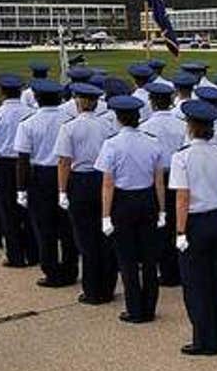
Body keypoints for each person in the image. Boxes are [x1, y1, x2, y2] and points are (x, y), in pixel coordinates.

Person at [170, 100, 217, 356]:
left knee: (197, 284)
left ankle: (204, 338)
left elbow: (182, 197)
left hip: (195, 222)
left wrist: (179, 231)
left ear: (190, 127)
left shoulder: (182, 157)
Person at [96, 95, 165, 323]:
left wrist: (105, 215)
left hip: (123, 201)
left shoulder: (112, 144)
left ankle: (135, 308)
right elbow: (158, 181)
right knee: (148, 258)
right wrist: (162, 209)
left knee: (127, 259)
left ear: (119, 119)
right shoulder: (152, 141)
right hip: (146, 200)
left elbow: (108, 183)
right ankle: (149, 306)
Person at [56, 82, 117, 305]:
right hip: (102, 179)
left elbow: (64, 161)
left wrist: (62, 191)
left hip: (80, 181)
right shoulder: (107, 126)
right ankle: (107, 287)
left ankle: (92, 290)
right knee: (104, 236)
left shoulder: (69, 128)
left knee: (85, 238)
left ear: (79, 102)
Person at [14, 80, 78, 287]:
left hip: (40, 176)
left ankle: (51, 270)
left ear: (38, 99)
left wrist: (21, 188)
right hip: (67, 174)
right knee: (67, 226)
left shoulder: (28, 123)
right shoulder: (69, 119)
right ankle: (70, 269)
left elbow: (23, 159)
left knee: (44, 227)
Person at [0, 74, 36, 267]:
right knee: (29, 210)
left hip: (4, 164)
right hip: (28, 163)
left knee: (8, 212)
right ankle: (32, 252)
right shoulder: (30, 112)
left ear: (2, 92)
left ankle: (15, 255)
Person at [139, 81, 186, 287]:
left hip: (158, 178)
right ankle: (178, 267)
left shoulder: (145, 127)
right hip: (179, 177)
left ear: (152, 102)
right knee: (179, 223)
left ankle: (167, 270)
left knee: (161, 226)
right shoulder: (182, 124)